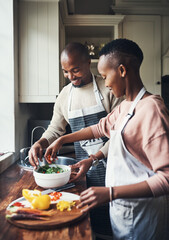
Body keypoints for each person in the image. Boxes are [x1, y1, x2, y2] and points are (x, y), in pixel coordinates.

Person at [44, 38, 169, 240]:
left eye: (105, 76)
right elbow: (98, 128)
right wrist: (62, 140)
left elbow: (166, 178)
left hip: (145, 216)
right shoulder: (125, 107)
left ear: (121, 71)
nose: (106, 83)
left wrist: (110, 193)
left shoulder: (152, 109)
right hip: (124, 213)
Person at [29, 42, 123, 238]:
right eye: (65, 72)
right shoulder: (65, 95)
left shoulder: (108, 88)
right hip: (83, 171)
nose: (71, 77)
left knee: (114, 222)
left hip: (114, 166)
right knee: (90, 222)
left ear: (88, 63)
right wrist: (40, 143)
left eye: (76, 70)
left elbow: (119, 132)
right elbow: (55, 129)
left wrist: (96, 158)